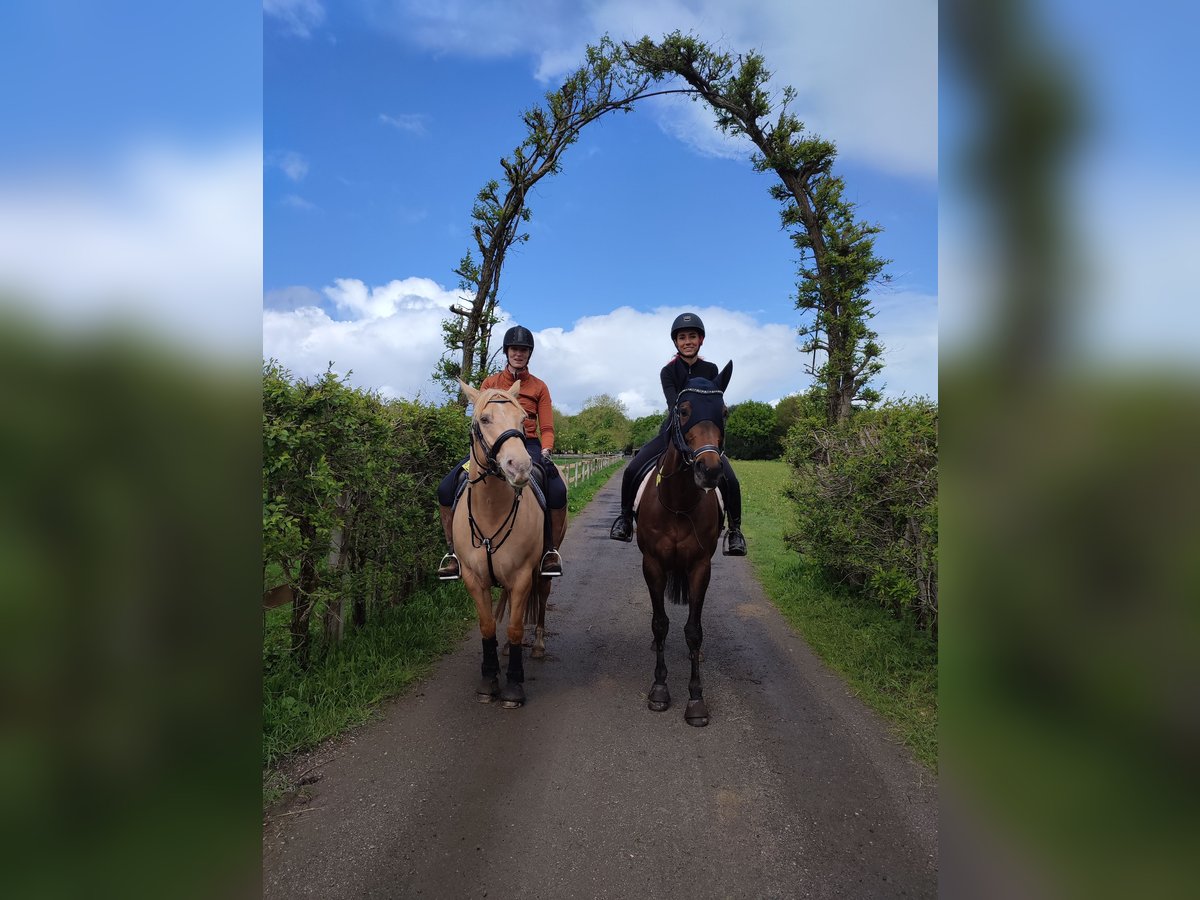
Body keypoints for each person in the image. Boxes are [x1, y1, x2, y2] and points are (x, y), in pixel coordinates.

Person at [609, 312, 747, 556]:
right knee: (632, 469)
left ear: (701, 340)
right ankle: (624, 519)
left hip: (704, 438)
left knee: (731, 480)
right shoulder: (669, 371)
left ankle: (735, 531)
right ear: (676, 342)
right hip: (673, 433)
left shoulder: (711, 369)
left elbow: (713, 404)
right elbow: (674, 405)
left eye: (692, 336)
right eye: (682, 337)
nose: (687, 341)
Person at [436, 325, 567, 579]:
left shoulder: (539, 387)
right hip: (490, 447)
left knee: (557, 489)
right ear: (507, 352)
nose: (518, 353)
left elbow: (547, 427)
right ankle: (453, 553)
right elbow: (479, 422)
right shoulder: (491, 383)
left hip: (526, 443)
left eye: (524, 350)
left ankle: (550, 550)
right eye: (514, 349)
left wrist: (546, 449)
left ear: (529, 354)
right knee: (445, 487)